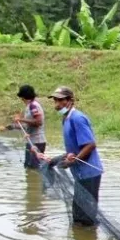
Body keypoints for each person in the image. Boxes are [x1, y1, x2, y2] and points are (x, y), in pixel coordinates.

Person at [40, 87, 103, 227]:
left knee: (86, 218)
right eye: (55, 100)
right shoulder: (66, 118)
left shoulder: (77, 118)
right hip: (80, 174)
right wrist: (56, 160)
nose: (57, 103)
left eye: (61, 100)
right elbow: (73, 151)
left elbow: (90, 145)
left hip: (89, 173)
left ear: (70, 101)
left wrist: (72, 161)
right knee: (78, 217)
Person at [5, 85, 46, 168]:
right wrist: (12, 127)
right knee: (28, 167)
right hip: (31, 142)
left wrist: (21, 119)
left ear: (23, 97)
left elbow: (38, 122)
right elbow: (28, 125)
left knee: (34, 168)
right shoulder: (30, 106)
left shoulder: (33, 106)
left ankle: (35, 181)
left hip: (36, 142)